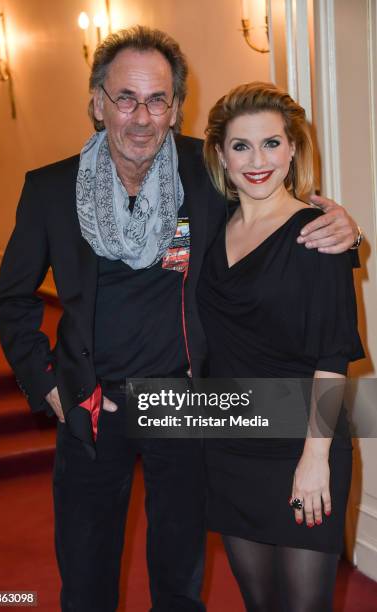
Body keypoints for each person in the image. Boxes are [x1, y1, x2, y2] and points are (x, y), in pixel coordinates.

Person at [0, 26, 360, 612]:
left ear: (175, 107)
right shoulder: (51, 191)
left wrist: (343, 222)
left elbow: (273, 203)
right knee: (86, 582)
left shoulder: (204, 173)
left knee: (179, 580)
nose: (141, 117)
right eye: (126, 98)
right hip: (93, 406)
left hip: (187, 408)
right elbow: (11, 299)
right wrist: (51, 387)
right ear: (97, 102)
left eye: (157, 99)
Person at [197, 82, 365, 612]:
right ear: (221, 156)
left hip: (302, 444)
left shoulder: (319, 233)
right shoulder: (207, 230)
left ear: (293, 148)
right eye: (241, 146)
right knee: (259, 603)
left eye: (271, 143)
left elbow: (332, 356)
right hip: (228, 440)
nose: (257, 160)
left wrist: (315, 459)